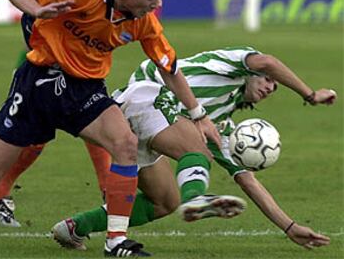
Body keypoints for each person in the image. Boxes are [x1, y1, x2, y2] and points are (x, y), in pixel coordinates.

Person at [0, 0, 224, 257]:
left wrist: (199, 115)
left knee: (124, 143)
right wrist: (36, 10)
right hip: (39, 84)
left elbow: (169, 68)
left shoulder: (143, 21)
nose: (157, 4)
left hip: (85, 90)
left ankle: (116, 241)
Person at [50, 46, 334, 253]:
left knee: (164, 201)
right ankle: (196, 197)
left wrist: (289, 227)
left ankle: (75, 226)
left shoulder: (221, 124)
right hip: (148, 93)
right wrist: (309, 94)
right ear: (252, 73)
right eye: (268, 80)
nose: (271, 86)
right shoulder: (233, 65)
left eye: (275, 87)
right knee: (196, 150)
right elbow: (269, 61)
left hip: (144, 124)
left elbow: (247, 180)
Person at [0, 0, 137, 228]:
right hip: (42, 14)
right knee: (84, 103)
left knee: (59, 109)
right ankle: (106, 192)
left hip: (89, 14)